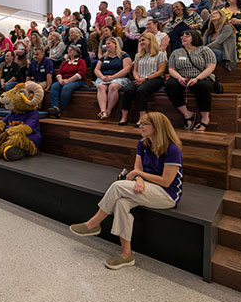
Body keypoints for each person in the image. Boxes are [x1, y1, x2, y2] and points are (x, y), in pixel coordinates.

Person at [69, 111, 183, 270]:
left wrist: (138, 175)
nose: (140, 126)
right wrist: (140, 178)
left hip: (167, 194)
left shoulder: (172, 149)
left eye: (144, 124)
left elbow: (166, 181)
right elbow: (138, 167)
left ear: (157, 127)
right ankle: (126, 254)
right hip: (149, 186)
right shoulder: (143, 143)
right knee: (121, 203)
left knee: (117, 186)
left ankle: (94, 223)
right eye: (140, 123)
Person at [165, 30, 217, 132]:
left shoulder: (205, 50)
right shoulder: (176, 52)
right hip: (182, 78)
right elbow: (171, 69)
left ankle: (205, 118)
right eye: (182, 36)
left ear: (195, 37)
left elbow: (210, 67)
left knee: (203, 86)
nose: (183, 37)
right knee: (170, 86)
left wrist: (197, 79)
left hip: (200, 77)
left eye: (187, 36)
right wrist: (180, 78)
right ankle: (187, 114)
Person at [119, 33, 167, 127]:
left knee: (141, 90)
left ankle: (142, 118)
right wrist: (137, 78)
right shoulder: (138, 55)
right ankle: (124, 117)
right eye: (140, 41)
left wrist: (145, 78)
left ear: (151, 40)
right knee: (128, 90)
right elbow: (135, 70)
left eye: (143, 40)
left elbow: (161, 71)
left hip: (155, 78)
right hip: (140, 78)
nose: (141, 42)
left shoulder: (160, 54)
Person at [94, 38, 132, 120]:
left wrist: (113, 77)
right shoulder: (104, 57)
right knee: (101, 87)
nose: (107, 45)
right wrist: (102, 77)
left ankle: (108, 111)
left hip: (119, 77)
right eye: (106, 44)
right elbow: (96, 69)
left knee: (113, 86)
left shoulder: (124, 55)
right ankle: (103, 111)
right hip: (104, 78)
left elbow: (126, 69)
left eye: (109, 43)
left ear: (115, 44)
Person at [48, 45, 86, 118]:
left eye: (71, 50)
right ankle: (55, 107)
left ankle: (59, 110)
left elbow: (80, 74)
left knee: (66, 87)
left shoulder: (81, 61)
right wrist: (60, 80)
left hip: (77, 81)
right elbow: (59, 73)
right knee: (54, 86)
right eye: (68, 50)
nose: (68, 51)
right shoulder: (65, 62)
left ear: (76, 52)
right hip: (64, 80)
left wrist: (68, 80)